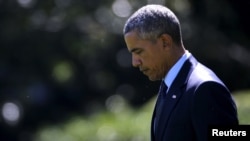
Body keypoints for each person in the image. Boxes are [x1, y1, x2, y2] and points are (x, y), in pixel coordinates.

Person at [123, 4, 239, 141]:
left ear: (165, 42)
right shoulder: (169, 86)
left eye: (139, 52)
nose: (135, 62)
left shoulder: (206, 89)